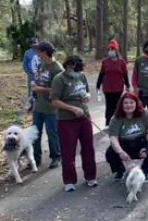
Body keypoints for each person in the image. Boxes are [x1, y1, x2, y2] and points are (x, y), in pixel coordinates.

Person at [51, 56, 97, 192]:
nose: (77, 72)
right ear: (68, 67)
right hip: (66, 120)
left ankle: (90, 176)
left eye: (79, 70)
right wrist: (72, 108)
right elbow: (54, 100)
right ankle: (69, 180)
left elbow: (87, 91)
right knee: (68, 151)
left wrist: (88, 96)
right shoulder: (59, 79)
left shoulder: (81, 76)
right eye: (75, 70)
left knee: (88, 147)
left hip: (84, 117)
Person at [105, 92, 148, 181]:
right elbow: (113, 137)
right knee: (110, 153)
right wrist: (120, 152)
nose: (128, 105)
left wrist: (147, 148)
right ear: (121, 105)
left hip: (141, 142)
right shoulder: (116, 118)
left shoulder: (144, 113)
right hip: (124, 144)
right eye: (125, 103)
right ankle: (121, 170)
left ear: (136, 103)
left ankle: (145, 169)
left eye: (131, 102)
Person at [30, 41, 63, 169]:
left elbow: (58, 90)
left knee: (52, 133)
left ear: (44, 52)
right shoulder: (41, 65)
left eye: (38, 51)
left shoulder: (57, 68)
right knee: (35, 133)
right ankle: (35, 159)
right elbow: (39, 80)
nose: (36, 53)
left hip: (51, 108)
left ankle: (56, 157)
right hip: (38, 106)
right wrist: (34, 83)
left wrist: (40, 90)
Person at [96, 39, 130, 130]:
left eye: (113, 49)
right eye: (109, 49)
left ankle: (118, 123)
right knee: (109, 106)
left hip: (118, 87)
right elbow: (101, 74)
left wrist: (128, 85)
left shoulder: (121, 62)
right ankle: (107, 123)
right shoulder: (105, 61)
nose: (111, 51)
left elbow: (125, 74)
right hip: (107, 88)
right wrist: (98, 85)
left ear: (116, 50)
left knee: (118, 105)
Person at [22, 37, 40, 111]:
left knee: (40, 89)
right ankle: (32, 105)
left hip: (40, 74)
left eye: (36, 43)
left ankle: (39, 105)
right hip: (31, 74)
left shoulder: (40, 51)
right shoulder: (27, 52)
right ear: (31, 44)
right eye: (33, 43)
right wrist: (28, 71)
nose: (34, 44)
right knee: (31, 89)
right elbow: (24, 63)